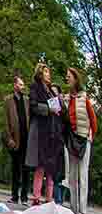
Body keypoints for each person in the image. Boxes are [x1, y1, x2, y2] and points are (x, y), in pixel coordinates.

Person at [26, 63, 64, 205]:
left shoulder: (52, 91)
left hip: (52, 132)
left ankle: (49, 199)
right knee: (40, 165)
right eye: (46, 71)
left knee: (50, 167)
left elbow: (58, 109)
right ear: (40, 73)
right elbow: (34, 106)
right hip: (40, 130)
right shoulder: (35, 87)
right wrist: (49, 109)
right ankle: (36, 197)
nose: (49, 74)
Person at [64, 68, 96, 214]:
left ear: (75, 79)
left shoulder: (84, 98)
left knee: (83, 175)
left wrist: (91, 135)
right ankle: (73, 209)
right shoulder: (67, 98)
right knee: (72, 176)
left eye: (69, 76)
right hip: (71, 140)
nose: (67, 78)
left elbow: (93, 119)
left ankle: (82, 212)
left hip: (84, 139)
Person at [4, 75, 31, 204]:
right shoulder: (8, 100)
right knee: (15, 169)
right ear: (15, 85)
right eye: (20, 84)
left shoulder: (27, 100)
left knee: (26, 169)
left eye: (23, 85)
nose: (22, 87)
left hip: (27, 139)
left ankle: (24, 197)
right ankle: (14, 196)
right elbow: (6, 121)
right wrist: (9, 139)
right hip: (15, 139)